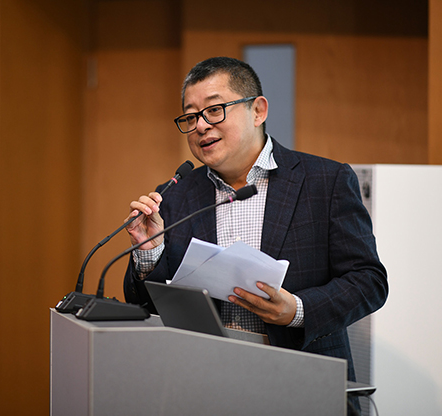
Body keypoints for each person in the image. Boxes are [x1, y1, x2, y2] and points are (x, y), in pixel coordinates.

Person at [123, 56, 388, 384]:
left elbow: (369, 281)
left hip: (302, 379)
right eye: (191, 117)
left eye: (214, 110)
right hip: (204, 380)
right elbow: (145, 306)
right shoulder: (175, 195)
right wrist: (148, 252)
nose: (201, 126)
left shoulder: (325, 181)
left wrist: (297, 310)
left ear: (258, 111)